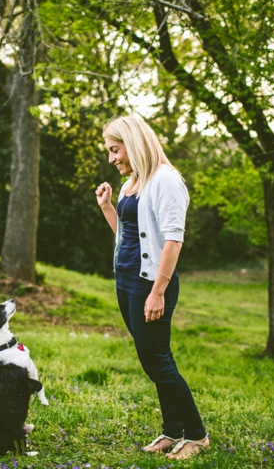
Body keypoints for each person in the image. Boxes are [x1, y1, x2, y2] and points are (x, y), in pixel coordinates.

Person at [94, 115, 210, 460]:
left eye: (115, 150)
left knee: (157, 362)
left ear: (133, 142)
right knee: (156, 360)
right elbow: (130, 237)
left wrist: (157, 291)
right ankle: (173, 431)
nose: (113, 158)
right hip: (127, 281)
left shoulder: (166, 181)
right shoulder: (135, 181)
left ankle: (197, 436)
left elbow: (174, 240)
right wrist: (107, 208)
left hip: (150, 285)